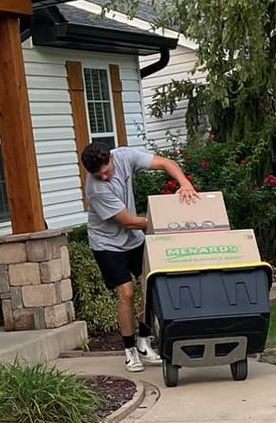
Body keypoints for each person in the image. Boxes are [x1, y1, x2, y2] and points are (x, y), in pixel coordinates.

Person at [81, 142, 200, 371]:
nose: (105, 177)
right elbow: (128, 222)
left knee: (149, 286)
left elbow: (166, 163)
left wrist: (184, 183)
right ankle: (129, 350)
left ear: (111, 158)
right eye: (99, 175)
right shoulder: (96, 188)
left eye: (107, 171)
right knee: (127, 292)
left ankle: (144, 343)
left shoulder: (125, 156)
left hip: (134, 241)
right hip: (107, 244)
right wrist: (169, 223)